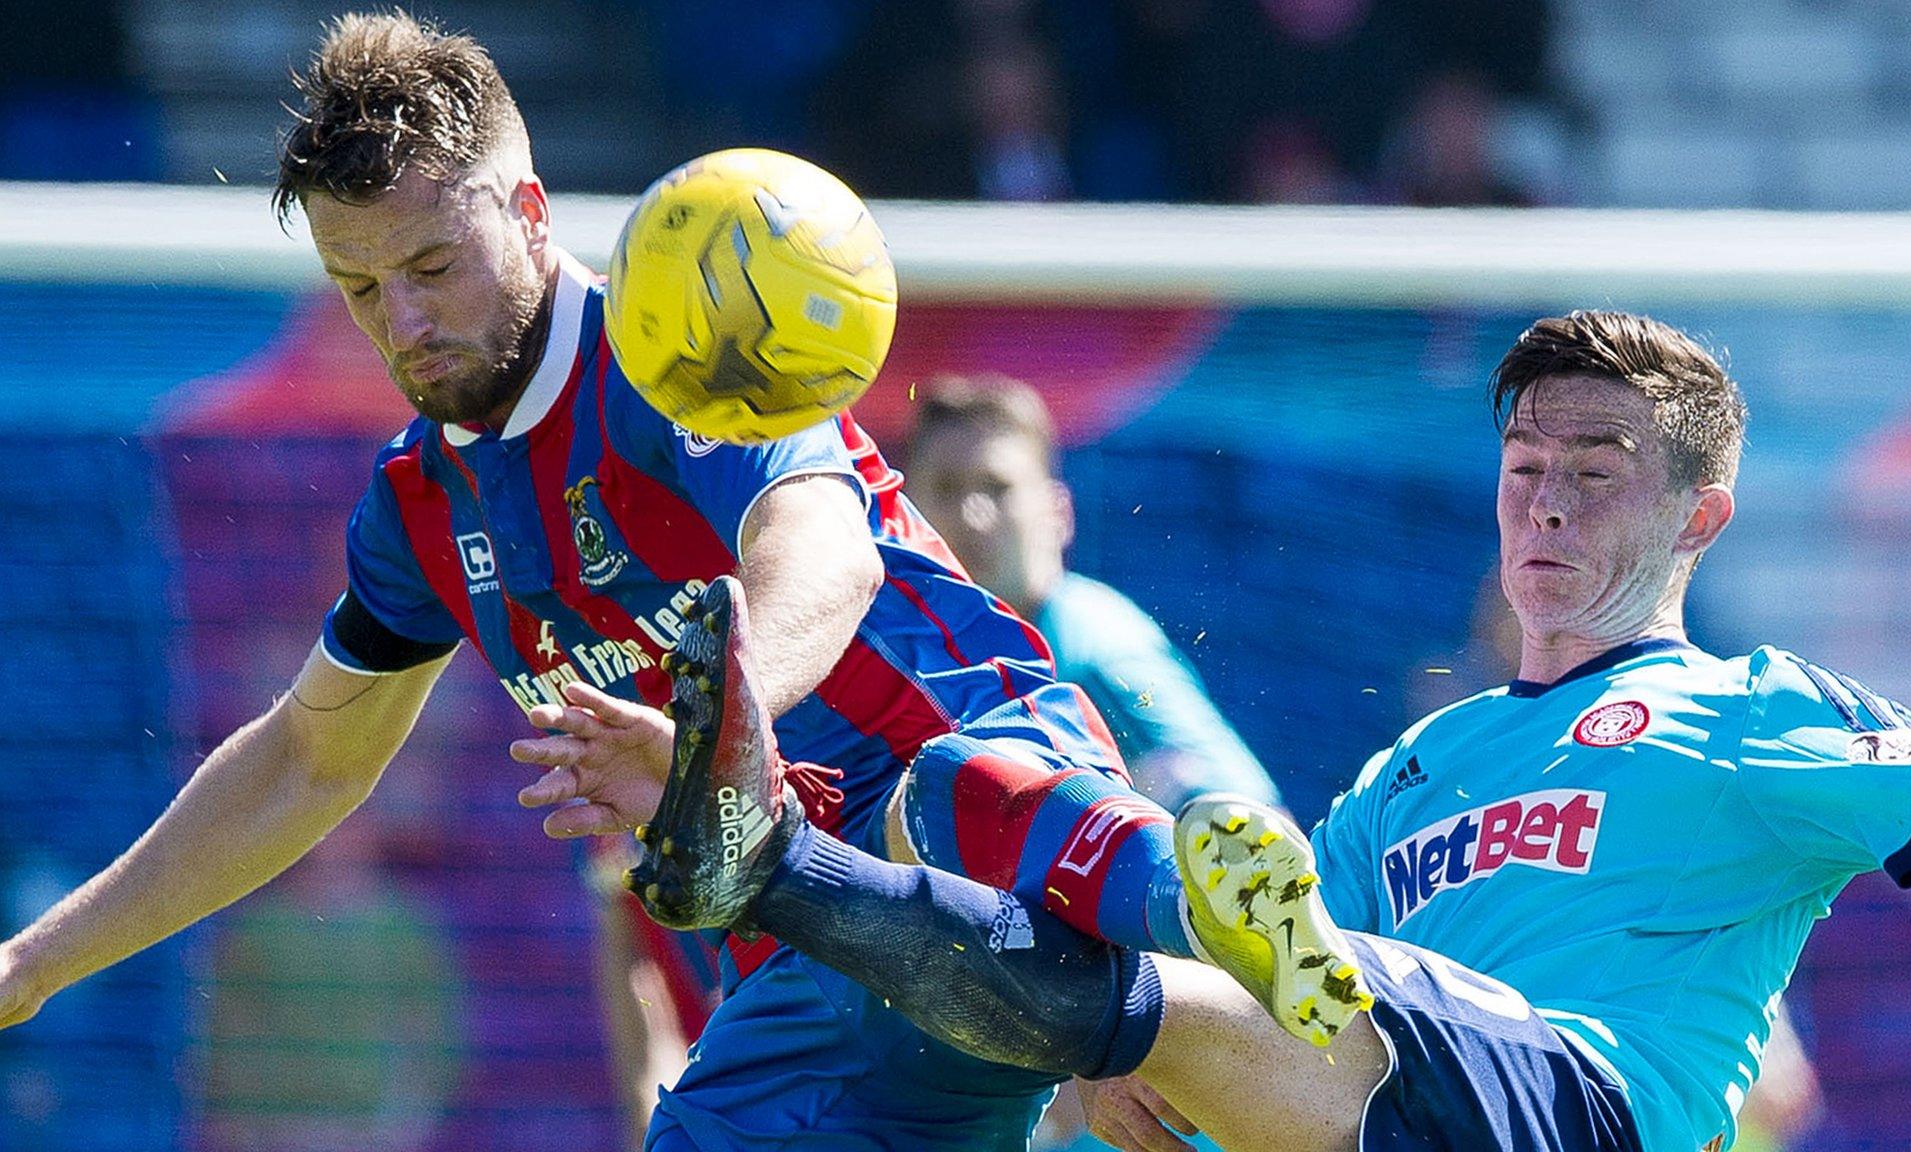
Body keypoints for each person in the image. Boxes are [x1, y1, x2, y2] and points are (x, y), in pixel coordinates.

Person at [0, 13, 1248, 1151]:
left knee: (1296, 1075)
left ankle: (1210, 949)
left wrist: (718, 720)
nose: (403, 324)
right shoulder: (419, 507)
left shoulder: (673, 348)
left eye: (432, 268)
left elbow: (821, 537)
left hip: (973, 803)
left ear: (531, 212)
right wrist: (37, 964)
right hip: (807, 939)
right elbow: (305, 763)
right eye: (360, 287)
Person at [565, 309, 1911, 1152]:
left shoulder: (1752, 712)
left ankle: (764, 864)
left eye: (1596, 473)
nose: (1542, 499)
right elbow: (1274, 959)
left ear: (1699, 517)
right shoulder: (1418, 768)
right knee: (970, 809)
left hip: (1572, 1113)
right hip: (1388, 1110)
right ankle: (789, 876)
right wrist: (1118, 1051)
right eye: (1526, 462)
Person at [902, 373, 1280, 815]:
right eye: (946, 488)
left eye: (997, 487)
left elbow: (1253, 822)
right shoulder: (896, 644)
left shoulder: (1093, 651)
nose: (973, 515)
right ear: (904, 513)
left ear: (1058, 514)